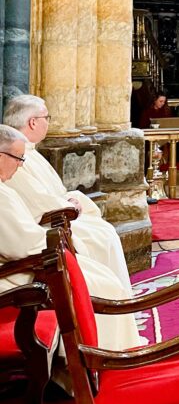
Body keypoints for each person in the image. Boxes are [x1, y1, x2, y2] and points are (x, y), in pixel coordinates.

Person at [0, 124, 143, 351]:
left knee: (102, 275)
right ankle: (101, 355)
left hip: (24, 259)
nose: (19, 165)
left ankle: (109, 350)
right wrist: (58, 240)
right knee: (102, 285)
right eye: (17, 158)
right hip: (13, 274)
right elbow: (21, 245)